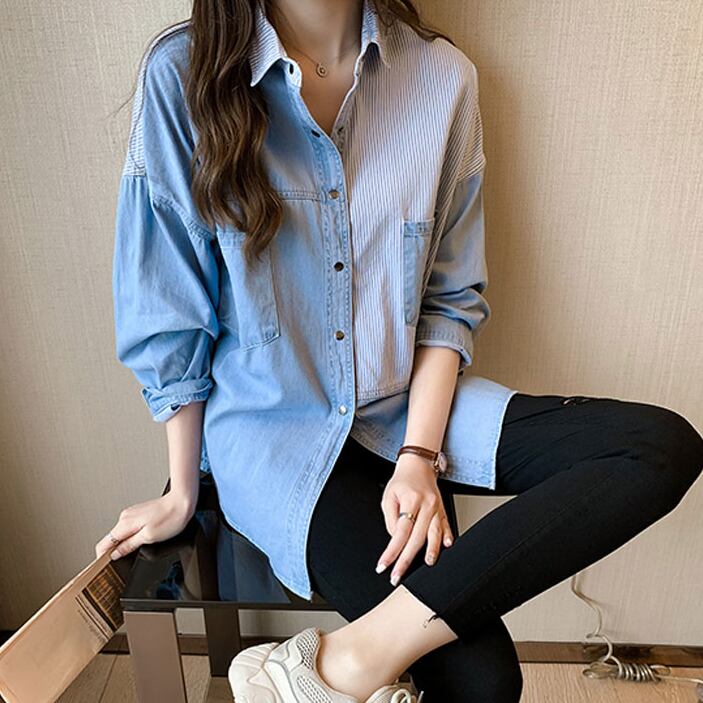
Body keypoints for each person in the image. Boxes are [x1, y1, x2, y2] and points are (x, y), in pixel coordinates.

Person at [96, 1, 703, 701]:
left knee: (656, 447)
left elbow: (449, 300)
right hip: (274, 438)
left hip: (406, 404)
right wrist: (182, 489)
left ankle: (343, 663)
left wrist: (418, 455)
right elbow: (168, 308)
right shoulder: (183, 73)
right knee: (482, 678)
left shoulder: (442, 79)